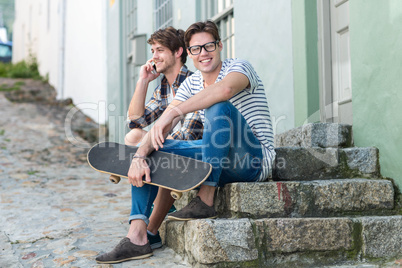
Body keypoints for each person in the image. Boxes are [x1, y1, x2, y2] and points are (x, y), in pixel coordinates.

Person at [95, 20, 275, 264]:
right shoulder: (191, 84)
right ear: (189, 54)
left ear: (220, 45)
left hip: (252, 159)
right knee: (149, 148)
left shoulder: (239, 67)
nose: (204, 53)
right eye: (197, 49)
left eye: (209, 46)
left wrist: (172, 113)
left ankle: (206, 198)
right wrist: (139, 156)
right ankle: (138, 235)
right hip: (214, 159)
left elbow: (223, 91)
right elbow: (157, 125)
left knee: (218, 106)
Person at [96, 27, 202, 263]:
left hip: (195, 157)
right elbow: (135, 121)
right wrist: (143, 81)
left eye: (160, 50)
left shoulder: (194, 81)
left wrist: (148, 148)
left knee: (150, 150)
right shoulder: (164, 86)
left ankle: (144, 231)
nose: (154, 56)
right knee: (135, 137)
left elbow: (189, 136)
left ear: (178, 52)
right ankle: (147, 230)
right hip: (170, 153)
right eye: (152, 50)